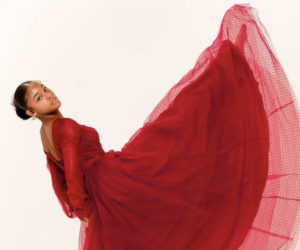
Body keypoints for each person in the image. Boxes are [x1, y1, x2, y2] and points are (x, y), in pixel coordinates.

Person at [11, 4, 300, 250]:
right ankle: (225, 70)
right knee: (178, 142)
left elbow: (57, 179)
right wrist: (84, 209)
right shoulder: (66, 127)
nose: (48, 94)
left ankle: (223, 74)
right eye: (39, 97)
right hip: (110, 185)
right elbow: (71, 177)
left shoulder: (45, 134)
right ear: (32, 111)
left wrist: (80, 210)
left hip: (104, 189)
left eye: (44, 88)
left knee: (162, 197)